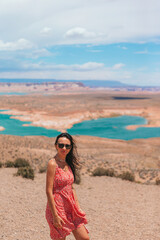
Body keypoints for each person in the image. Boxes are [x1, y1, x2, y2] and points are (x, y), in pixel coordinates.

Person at [45, 132, 89, 240]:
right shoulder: (52, 163)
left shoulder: (68, 164)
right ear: (56, 146)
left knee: (84, 238)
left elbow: (71, 187)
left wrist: (77, 207)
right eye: (61, 145)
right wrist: (55, 216)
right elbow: (48, 191)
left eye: (67, 146)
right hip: (57, 208)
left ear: (70, 148)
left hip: (71, 208)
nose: (64, 148)